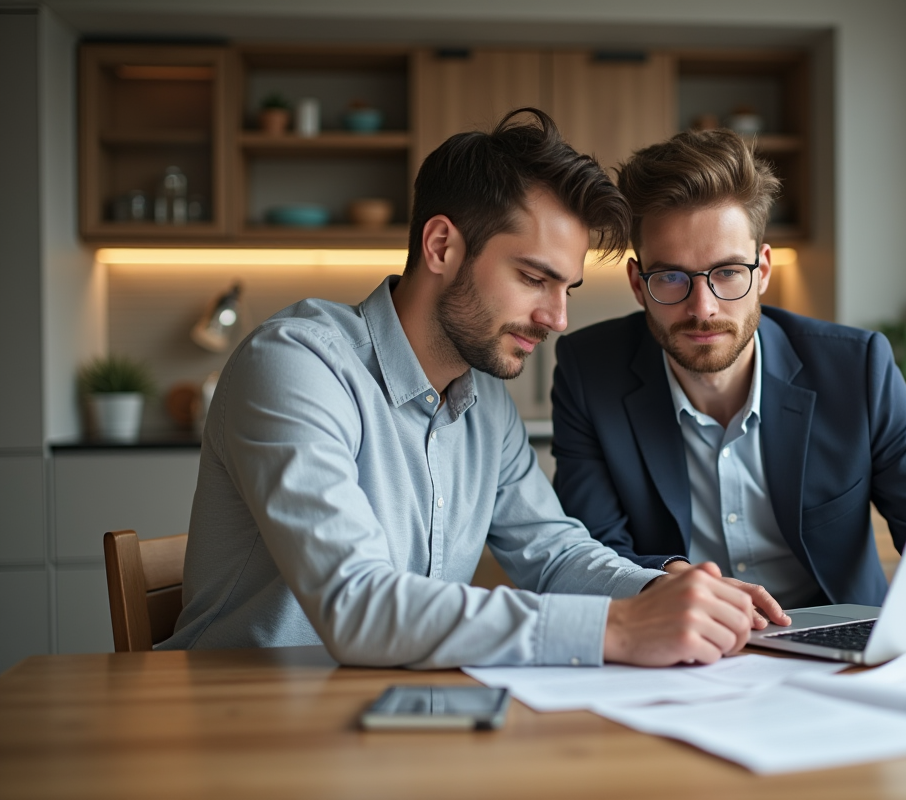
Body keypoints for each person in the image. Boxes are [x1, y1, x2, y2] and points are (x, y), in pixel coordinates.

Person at [162, 109, 782, 669]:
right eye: (533, 278)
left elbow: (554, 555)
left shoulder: (486, 406)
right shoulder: (297, 365)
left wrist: (664, 592)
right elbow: (357, 606)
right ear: (441, 246)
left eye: (566, 289)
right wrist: (616, 628)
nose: (556, 318)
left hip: (396, 717)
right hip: (245, 721)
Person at [551, 128, 906, 611]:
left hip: (839, 651)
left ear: (764, 272)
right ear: (637, 283)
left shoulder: (857, 368)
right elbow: (589, 550)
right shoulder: (588, 372)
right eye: (671, 276)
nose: (704, 308)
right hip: (681, 648)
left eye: (728, 273)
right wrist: (675, 585)